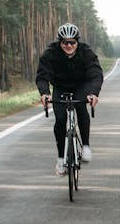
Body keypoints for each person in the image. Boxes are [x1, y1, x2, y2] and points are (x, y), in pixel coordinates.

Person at [36, 23, 103, 175]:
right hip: (60, 87)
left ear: (77, 42)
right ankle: (61, 159)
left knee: (80, 108)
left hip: (81, 86)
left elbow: (96, 74)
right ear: (59, 42)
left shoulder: (86, 52)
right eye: (65, 42)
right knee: (60, 119)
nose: (68, 45)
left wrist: (94, 93)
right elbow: (42, 76)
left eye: (72, 42)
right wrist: (44, 93)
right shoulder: (50, 53)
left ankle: (85, 146)